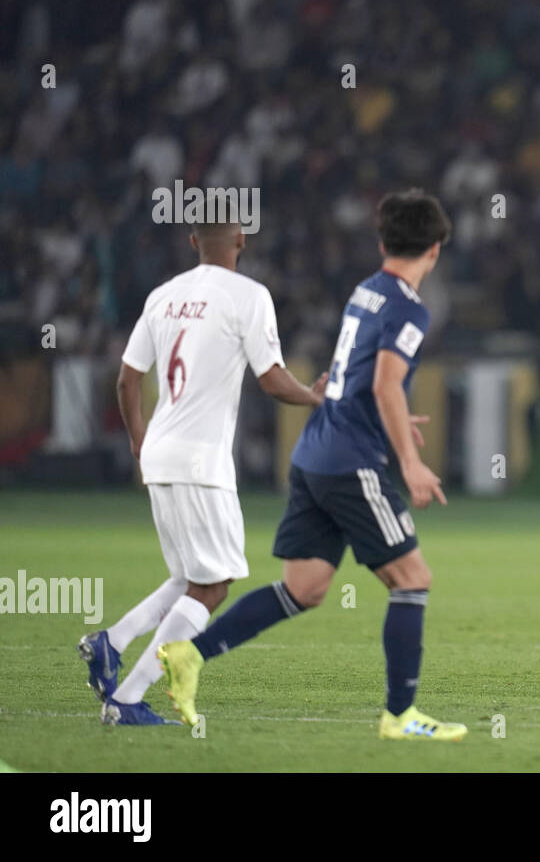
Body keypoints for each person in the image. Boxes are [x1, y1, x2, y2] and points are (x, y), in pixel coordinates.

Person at [159, 190, 466, 741]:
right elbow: (386, 382)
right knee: (412, 580)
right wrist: (411, 462)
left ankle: (190, 653)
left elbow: (354, 378)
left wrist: (383, 419)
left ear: (382, 243)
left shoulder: (365, 292)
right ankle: (401, 717)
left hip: (315, 455)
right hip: (353, 464)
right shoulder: (409, 308)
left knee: (304, 588)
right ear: (436, 250)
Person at [81, 218, 325, 726]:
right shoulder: (249, 295)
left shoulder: (162, 295)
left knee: (188, 577)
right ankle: (127, 697)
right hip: (201, 461)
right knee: (212, 587)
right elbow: (273, 380)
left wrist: (138, 441)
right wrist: (314, 396)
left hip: (161, 451)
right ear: (242, 241)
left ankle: (111, 642)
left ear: (193, 242)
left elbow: (128, 380)